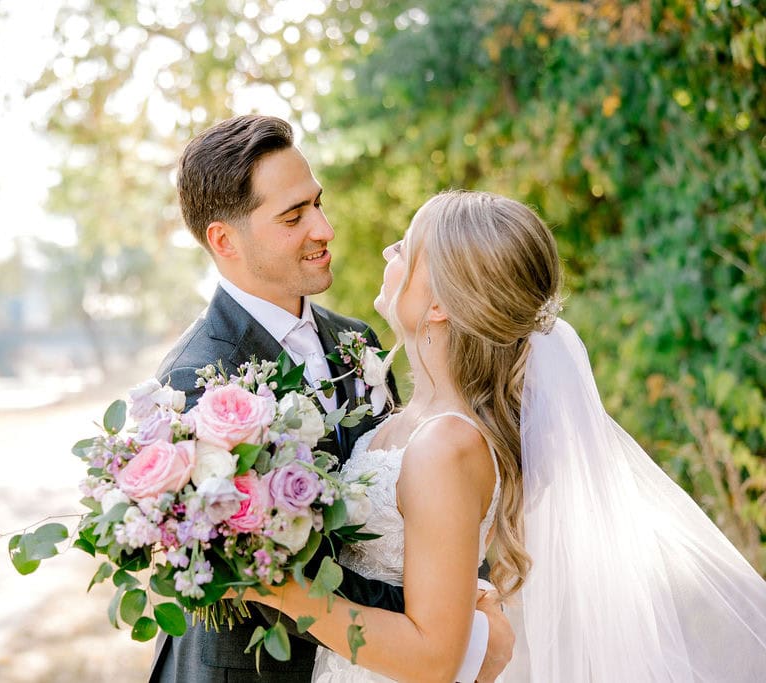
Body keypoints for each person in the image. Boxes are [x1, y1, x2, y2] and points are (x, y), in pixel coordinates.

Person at [243, 190, 766, 681]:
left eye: (405, 246)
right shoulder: (414, 420)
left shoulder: (445, 447)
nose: (388, 250)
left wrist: (283, 590)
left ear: (439, 305)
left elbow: (433, 658)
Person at [148, 117, 514, 682]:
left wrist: (459, 595)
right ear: (225, 240)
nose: (325, 228)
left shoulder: (358, 341)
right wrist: (459, 624)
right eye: (293, 217)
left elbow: (428, 502)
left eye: (317, 203)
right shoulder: (196, 382)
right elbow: (274, 572)